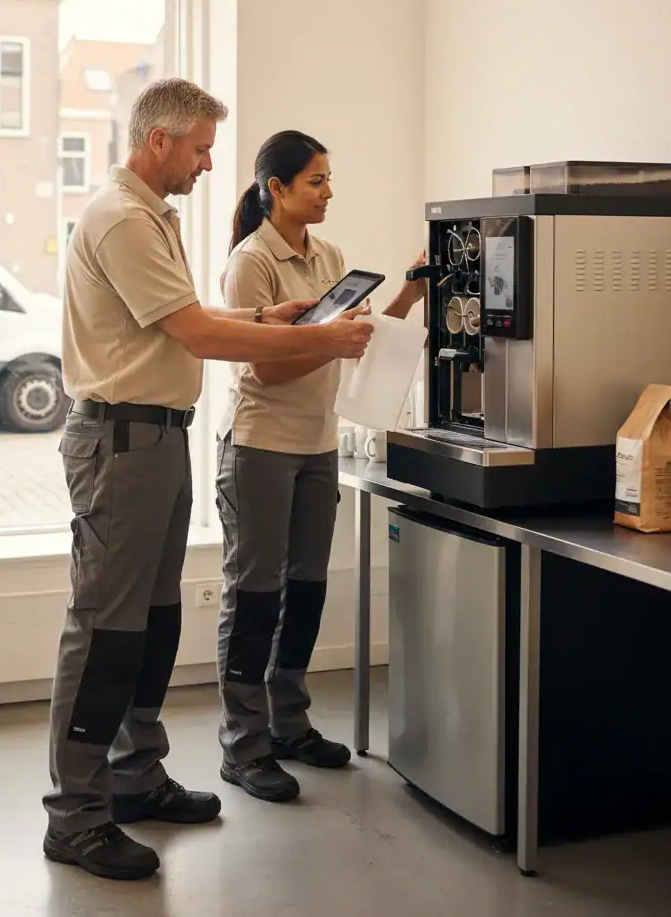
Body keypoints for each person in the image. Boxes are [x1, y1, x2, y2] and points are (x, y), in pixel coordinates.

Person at [43, 82, 375, 882]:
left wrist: (270, 320)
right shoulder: (122, 219)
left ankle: (134, 774)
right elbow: (195, 332)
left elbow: (182, 317)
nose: (208, 164)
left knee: (153, 622)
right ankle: (76, 815)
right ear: (158, 141)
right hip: (121, 443)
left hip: (157, 439)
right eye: (199, 149)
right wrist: (319, 341)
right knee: (106, 629)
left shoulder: (150, 217)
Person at [215, 130, 426, 803]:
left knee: (305, 589)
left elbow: (357, 342)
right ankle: (243, 746)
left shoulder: (329, 256)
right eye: (316, 180)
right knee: (254, 595)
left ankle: (289, 725)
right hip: (259, 444)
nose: (328, 191)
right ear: (276, 189)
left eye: (329, 179)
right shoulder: (252, 262)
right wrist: (329, 340)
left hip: (316, 444)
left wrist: (408, 298)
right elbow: (268, 369)